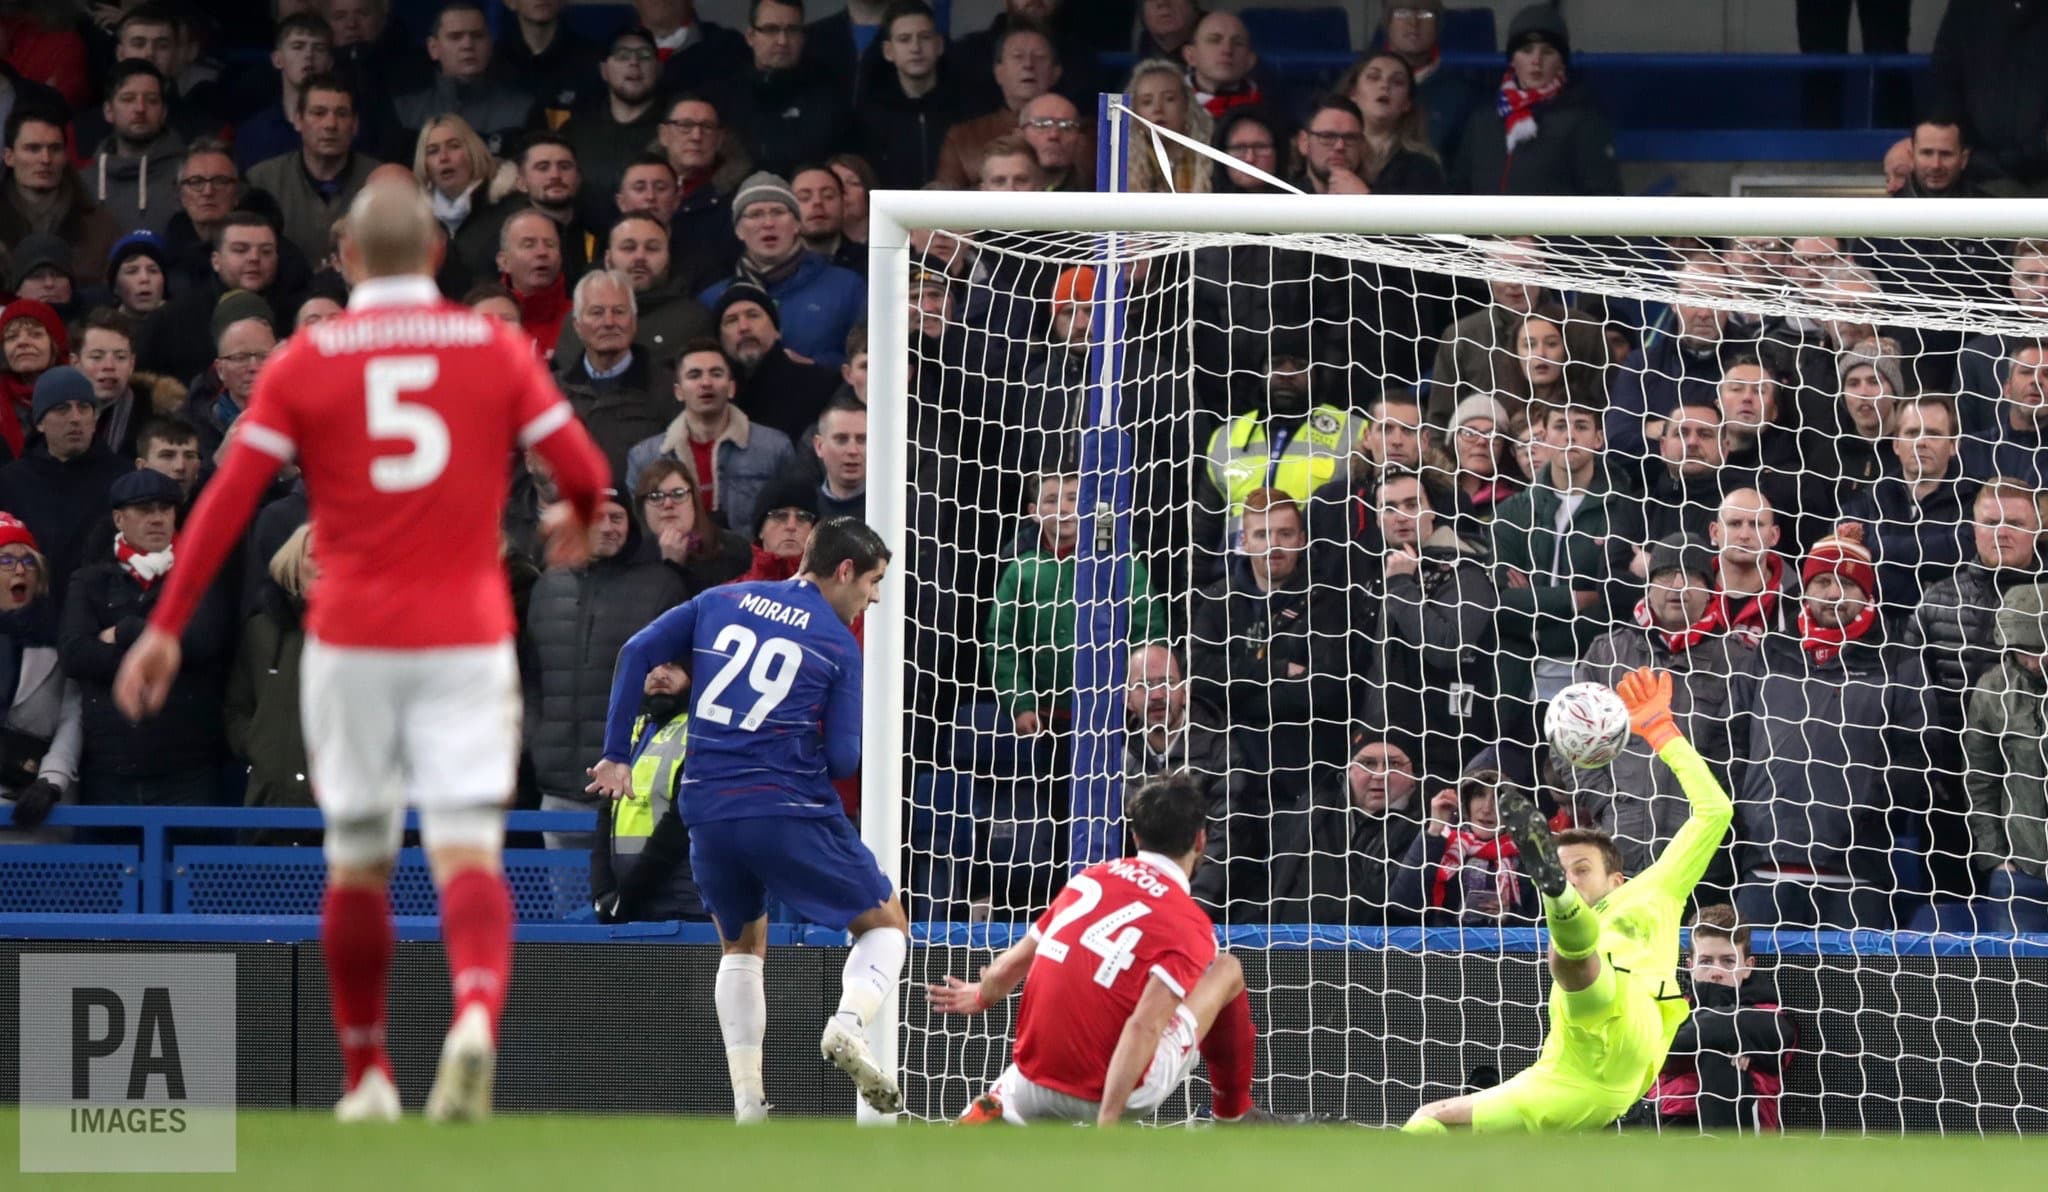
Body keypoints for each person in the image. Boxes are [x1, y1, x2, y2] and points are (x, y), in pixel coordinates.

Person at [110, 178, 610, 1123]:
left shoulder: (308, 359)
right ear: (434, 256)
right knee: (468, 853)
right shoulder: (494, 346)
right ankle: (471, 1014)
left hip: (351, 642)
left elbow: (222, 504)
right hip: (466, 634)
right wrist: (576, 516)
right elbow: (583, 468)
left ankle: (367, 1073)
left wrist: (166, 626)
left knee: (360, 861)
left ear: (343, 259)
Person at [586, 516, 906, 1121]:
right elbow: (843, 757)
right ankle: (847, 1025)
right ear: (843, 572)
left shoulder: (721, 597)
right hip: (786, 805)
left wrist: (615, 753)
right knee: (886, 925)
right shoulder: (838, 642)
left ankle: (749, 1107)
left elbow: (635, 651)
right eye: (873, 582)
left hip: (706, 806)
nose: (875, 597)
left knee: (740, 945)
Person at [1404, 668, 1732, 1132]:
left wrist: (1663, 733)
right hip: (1565, 1074)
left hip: (1631, 1015)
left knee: (1577, 958)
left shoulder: (1654, 888)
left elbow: (1715, 812)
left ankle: (1557, 902)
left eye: (1580, 870)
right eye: (1561, 872)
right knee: (1429, 1123)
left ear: (1617, 878)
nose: (1575, 877)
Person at [925, 773, 1263, 1127]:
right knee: (1226, 969)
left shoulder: (1088, 881)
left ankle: (996, 1109)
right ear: (1200, 840)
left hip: (1033, 1083)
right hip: (1120, 1092)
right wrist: (1108, 1122)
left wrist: (980, 995)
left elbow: (1006, 970)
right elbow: (1144, 1027)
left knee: (1023, 1082)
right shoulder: (1190, 925)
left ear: (1135, 836)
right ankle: (1233, 1113)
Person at [1731, 525, 1932, 930]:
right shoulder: (1772, 651)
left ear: (1866, 593)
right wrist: (1747, 817)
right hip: (1763, 864)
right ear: (1805, 589)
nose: (1833, 594)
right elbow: (1733, 741)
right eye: (1822, 581)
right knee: (1759, 993)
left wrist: (1866, 809)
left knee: (1852, 995)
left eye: (1846, 583)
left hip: (1858, 871)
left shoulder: (1899, 658)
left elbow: (1919, 755)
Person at [1565, 533, 1753, 877]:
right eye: (1666, 574)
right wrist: (1606, 803)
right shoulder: (1607, 653)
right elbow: (1571, 740)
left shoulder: (1738, 662)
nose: (1677, 586)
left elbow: (1743, 754)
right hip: (1617, 845)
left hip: (1701, 853)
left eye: (1691, 576)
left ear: (1710, 590)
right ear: (1648, 585)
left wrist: (1710, 812)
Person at [524, 490, 687, 850]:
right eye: (597, 517)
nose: (608, 527)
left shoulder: (661, 586)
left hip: (632, 786)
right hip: (558, 787)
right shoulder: (547, 586)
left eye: (617, 517)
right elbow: (530, 680)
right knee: (563, 906)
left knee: (626, 901)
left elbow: (674, 681)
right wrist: (536, 741)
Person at [1651, 905, 1796, 1133]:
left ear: (1747, 967)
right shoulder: (1671, 1008)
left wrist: (1700, 1039)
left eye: (1728, 961)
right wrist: (1730, 1037)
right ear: (1690, 967)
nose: (1716, 971)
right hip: (1670, 1123)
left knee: (1719, 1060)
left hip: (1743, 1129)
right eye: (1706, 961)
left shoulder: (1767, 1012)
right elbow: (1655, 1052)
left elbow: (1781, 1039)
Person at [1450, 3, 1619, 197]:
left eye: (1547, 51)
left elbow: (1603, 197)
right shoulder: (1482, 121)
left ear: (1561, 62)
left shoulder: (1584, 121)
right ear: (1512, 60)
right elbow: (1459, 189)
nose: (1536, 60)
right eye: (1527, 50)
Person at [700, 172, 867, 368]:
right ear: (738, 230)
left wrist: (816, 368)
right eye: (755, 214)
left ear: (797, 224)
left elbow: (867, 361)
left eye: (778, 212)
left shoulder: (847, 287)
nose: (768, 224)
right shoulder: (712, 300)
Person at [626, 339, 796, 531]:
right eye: (694, 375)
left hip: (750, 559)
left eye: (716, 374)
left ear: (731, 388)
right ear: (678, 392)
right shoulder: (644, 457)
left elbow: (793, 521)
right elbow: (640, 531)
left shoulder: (775, 448)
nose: (706, 383)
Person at [587, 660, 706, 923]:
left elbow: (680, 822)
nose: (659, 674)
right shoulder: (635, 730)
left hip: (684, 908)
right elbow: (606, 814)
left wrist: (626, 896)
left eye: (673, 666)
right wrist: (602, 890)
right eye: (651, 666)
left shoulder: (704, 731)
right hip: (632, 906)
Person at [0, 366, 131, 602]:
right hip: (25, 620)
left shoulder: (123, 479)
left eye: (84, 408)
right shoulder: (10, 482)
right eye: (62, 409)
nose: (75, 418)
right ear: (39, 423)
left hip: (98, 619)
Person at [1963, 583, 2048, 932]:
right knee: (2016, 984)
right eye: (2022, 650)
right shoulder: (1991, 691)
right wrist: (1996, 859)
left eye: (2041, 649)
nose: (2032, 660)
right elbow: (1979, 781)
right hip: (2019, 875)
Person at [224, 524, 316, 824]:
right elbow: (238, 706)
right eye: (315, 555)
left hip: (341, 809)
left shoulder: (366, 634)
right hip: (269, 800)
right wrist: (258, 747)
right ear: (293, 562)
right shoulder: (260, 630)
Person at [0, 515, 82, 837]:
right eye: (6, 560)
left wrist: (51, 781)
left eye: (28, 562)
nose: (20, 570)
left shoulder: (61, 641)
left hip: (37, 809)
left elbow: (72, 718)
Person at [247, 74, 380, 267]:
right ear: (298, 120)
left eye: (342, 114)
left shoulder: (380, 181)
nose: (330, 125)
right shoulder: (262, 180)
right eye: (319, 113)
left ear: (355, 125)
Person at [715, 0, 850, 181]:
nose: (782, 41)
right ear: (750, 36)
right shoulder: (724, 97)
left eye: (792, 30)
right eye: (771, 29)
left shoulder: (829, 98)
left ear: (803, 37)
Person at [392, 1, 536, 156]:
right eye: (455, 37)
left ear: (490, 45)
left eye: (477, 36)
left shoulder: (522, 111)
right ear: (433, 48)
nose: (467, 45)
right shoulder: (405, 112)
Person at [0, 107, 119, 280]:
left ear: (65, 156)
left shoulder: (100, 227)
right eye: (33, 149)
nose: (46, 159)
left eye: (55, 149)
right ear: (9, 157)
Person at [855, 0, 963, 190]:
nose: (915, 48)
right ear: (888, 51)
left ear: (939, 45)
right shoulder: (870, 118)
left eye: (924, 37)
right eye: (904, 39)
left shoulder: (967, 109)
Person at [559, 24, 664, 209]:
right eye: (622, 55)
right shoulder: (576, 130)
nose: (634, 62)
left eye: (645, 55)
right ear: (604, 70)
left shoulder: (674, 131)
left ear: (658, 69)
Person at [85, 60, 185, 236]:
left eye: (151, 100)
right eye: (128, 99)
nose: (140, 108)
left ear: (163, 112)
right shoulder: (82, 183)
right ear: (108, 111)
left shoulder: (189, 176)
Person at [632, 458, 750, 594]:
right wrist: (671, 567)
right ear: (643, 508)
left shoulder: (733, 550)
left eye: (678, 494)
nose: (668, 504)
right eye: (655, 496)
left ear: (693, 501)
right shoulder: (633, 558)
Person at [1336, 52, 1446, 193]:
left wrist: (1364, 199)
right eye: (1374, 77)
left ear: (1407, 103)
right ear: (1353, 93)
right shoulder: (1332, 153)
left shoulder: (1423, 167)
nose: (1385, 85)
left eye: (1397, 82)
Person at [1124, 57, 1211, 194]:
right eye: (1147, 102)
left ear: (1186, 105)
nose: (1158, 109)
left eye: (1169, 99)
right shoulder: (1122, 165)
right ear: (1134, 112)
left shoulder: (1211, 159)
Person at [1182, 10, 1261, 118]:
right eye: (1214, 40)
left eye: (1238, 43)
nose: (1227, 49)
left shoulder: (1271, 111)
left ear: (1250, 60)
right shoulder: (1168, 107)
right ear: (1191, 56)